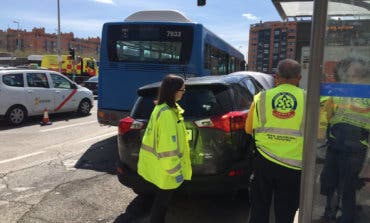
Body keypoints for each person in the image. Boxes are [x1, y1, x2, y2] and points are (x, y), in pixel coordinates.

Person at [245, 59, 305, 223]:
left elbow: (249, 129)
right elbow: (318, 133)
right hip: (293, 166)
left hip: (264, 162)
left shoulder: (261, 98)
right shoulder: (309, 99)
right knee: (286, 212)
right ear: (299, 78)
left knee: (259, 209)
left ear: (276, 77)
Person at [136, 74, 192, 223]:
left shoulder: (161, 108)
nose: (183, 92)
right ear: (174, 91)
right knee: (161, 205)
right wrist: (176, 172)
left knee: (161, 202)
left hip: (159, 166)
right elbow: (167, 148)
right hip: (167, 169)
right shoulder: (167, 114)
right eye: (183, 90)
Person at [320, 58, 369, 223]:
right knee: (329, 182)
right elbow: (325, 114)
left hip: (355, 148)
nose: (350, 76)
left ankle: (346, 217)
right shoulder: (340, 91)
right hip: (336, 145)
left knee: (347, 187)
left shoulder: (364, 92)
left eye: (353, 74)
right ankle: (330, 214)